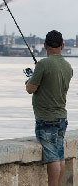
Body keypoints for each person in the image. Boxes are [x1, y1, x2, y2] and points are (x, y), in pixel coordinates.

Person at [25, 30, 73, 186]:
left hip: (46, 119)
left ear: (45, 45)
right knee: (60, 155)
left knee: (52, 157)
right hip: (61, 117)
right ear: (63, 45)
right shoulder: (67, 66)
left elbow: (31, 88)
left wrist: (29, 79)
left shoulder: (43, 64)